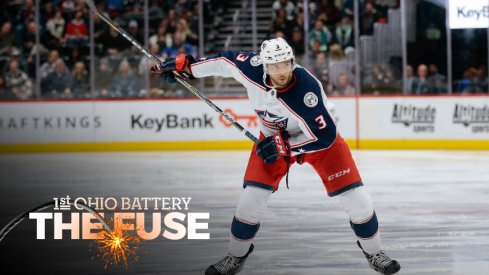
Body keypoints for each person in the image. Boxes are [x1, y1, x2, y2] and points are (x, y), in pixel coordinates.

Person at [151, 37, 401, 275]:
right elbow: (224, 62)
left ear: (292, 62)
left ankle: (374, 252)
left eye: (285, 64)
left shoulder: (306, 90)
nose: (281, 71)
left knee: (356, 198)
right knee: (251, 199)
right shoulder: (251, 68)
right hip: (271, 140)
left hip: (318, 141)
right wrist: (190, 67)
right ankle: (236, 255)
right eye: (274, 66)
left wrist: (288, 147)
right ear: (264, 64)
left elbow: (324, 136)